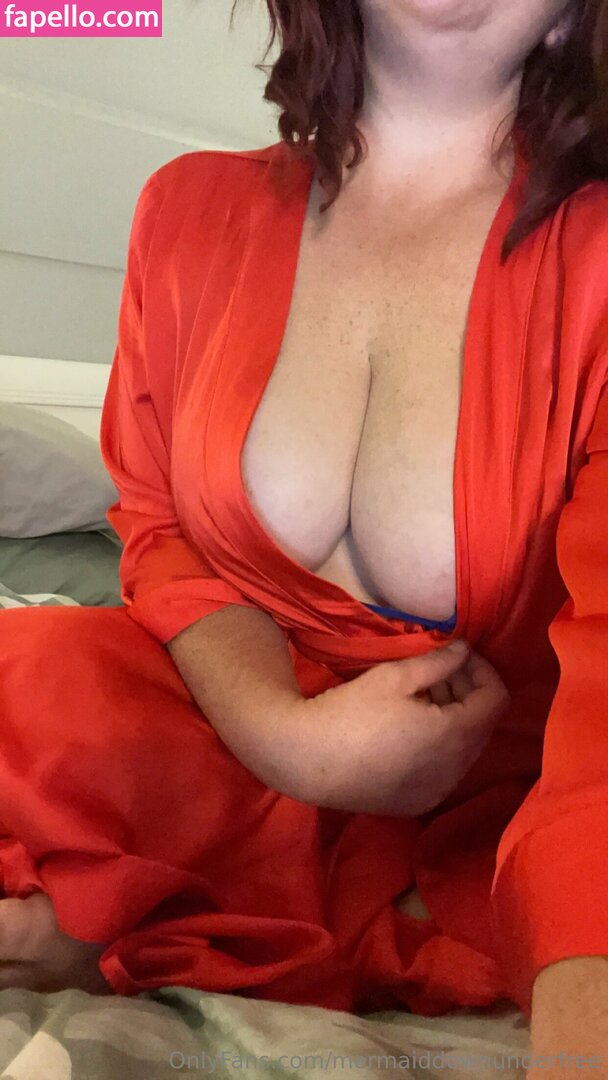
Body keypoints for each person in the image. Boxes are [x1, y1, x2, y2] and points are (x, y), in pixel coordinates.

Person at [0, 0, 607, 1070]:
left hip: (490, 803)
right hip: (213, 725)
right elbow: (158, 529)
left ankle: (155, 907)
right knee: (35, 665)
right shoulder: (185, 209)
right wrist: (286, 737)